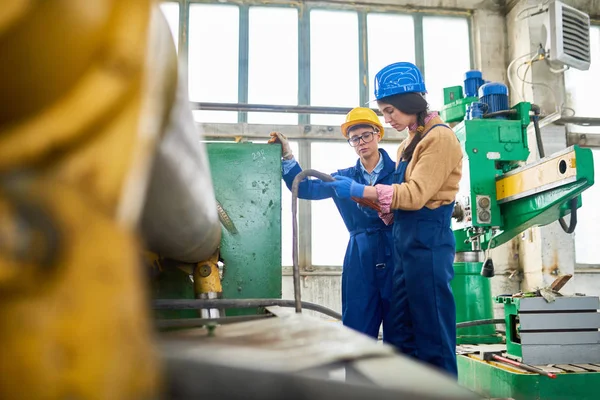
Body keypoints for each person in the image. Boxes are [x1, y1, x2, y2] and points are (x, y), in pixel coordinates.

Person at [323, 62, 463, 377]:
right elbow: (398, 204)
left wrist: (363, 190)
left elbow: (414, 195)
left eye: (389, 111)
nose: (387, 119)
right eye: (384, 113)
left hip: (427, 245)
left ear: (409, 102)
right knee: (404, 339)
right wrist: (373, 203)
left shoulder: (439, 139)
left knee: (432, 337)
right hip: (403, 249)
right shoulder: (406, 145)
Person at [268, 107, 397, 341]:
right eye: (354, 138)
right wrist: (288, 157)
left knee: (400, 328)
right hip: (359, 254)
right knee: (357, 329)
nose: (361, 142)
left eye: (366, 135)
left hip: (396, 251)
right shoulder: (342, 179)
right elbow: (305, 187)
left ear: (378, 134)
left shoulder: (399, 173)